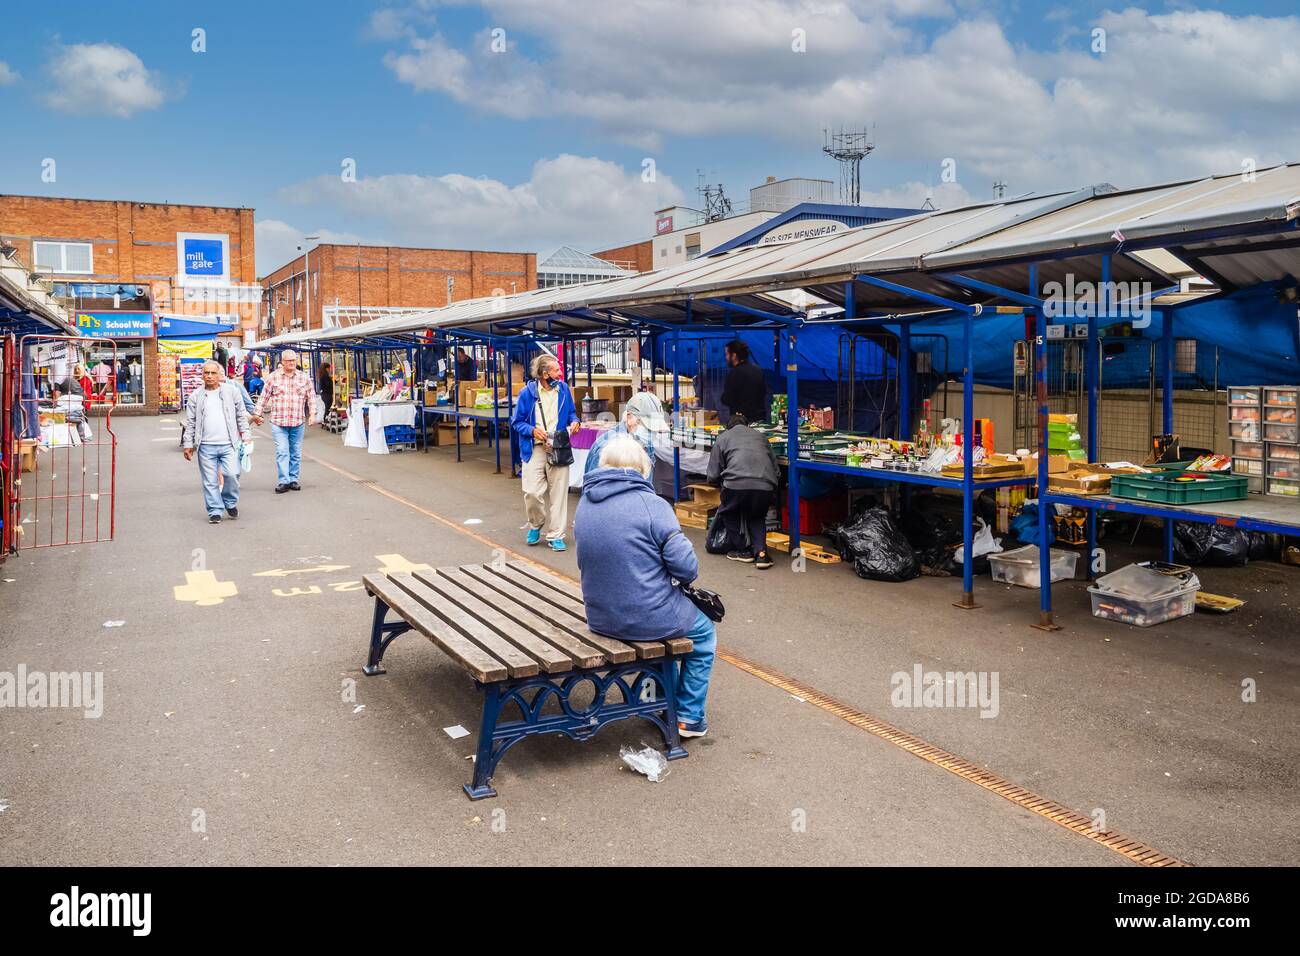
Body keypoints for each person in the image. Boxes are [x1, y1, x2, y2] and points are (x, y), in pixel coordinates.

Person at [574, 434, 716, 738]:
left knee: (657, 623)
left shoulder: (585, 503)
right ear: (642, 467)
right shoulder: (653, 505)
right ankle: (688, 716)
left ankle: (655, 698)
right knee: (703, 635)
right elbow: (687, 569)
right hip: (647, 616)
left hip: (600, 616)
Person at [511, 353, 579, 551]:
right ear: (544, 373)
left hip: (558, 446)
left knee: (559, 494)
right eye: (556, 370)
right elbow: (517, 422)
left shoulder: (564, 390)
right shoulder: (527, 393)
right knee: (531, 492)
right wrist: (532, 430)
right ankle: (535, 524)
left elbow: (572, 413)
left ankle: (556, 534)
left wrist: (575, 421)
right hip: (534, 447)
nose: (560, 373)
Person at [707, 412, 779, 569]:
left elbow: (713, 473)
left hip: (735, 483)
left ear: (729, 426)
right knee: (757, 517)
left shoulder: (723, 437)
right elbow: (776, 469)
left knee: (728, 513)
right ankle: (761, 555)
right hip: (765, 484)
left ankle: (743, 550)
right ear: (747, 425)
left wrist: (717, 483)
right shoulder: (760, 436)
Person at [182, 360, 250, 524]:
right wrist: (188, 444)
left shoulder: (232, 391)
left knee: (232, 474)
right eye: (207, 373)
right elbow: (190, 422)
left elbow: (241, 415)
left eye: (213, 373)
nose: (210, 376)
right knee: (210, 480)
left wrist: (246, 434)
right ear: (202, 375)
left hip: (229, 444)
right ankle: (214, 510)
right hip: (205, 446)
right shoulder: (195, 396)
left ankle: (230, 502)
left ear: (220, 374)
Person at [253, 348, 315, 493]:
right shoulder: (273, 377)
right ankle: (283, 480)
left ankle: (293, 479)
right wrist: (257, 414)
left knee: (295, 451)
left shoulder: (304, 378)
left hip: (297, 421)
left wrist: (312, 414)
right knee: (282, 451)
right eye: (288, 361)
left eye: (293, 360)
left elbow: (311, 397)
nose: (291, 363)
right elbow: (264, 397)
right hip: (278, 421)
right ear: (282, 362)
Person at [582, 390, 668, 480]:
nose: (652, 433)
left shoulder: (645, 444)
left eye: (655, 429)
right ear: (629, 417)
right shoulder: (606, 447)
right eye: (648, 427)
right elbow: (595, 490)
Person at [720, 338, 768, 426]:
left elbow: (728, 399)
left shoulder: (734, 373)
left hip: (741, 422)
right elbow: (764, 392)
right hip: (760, 420)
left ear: (734, 356)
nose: (726, 357)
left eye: (727, 354)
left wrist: (723, 398)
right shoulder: (757, 370)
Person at [317, 361, 334, 426]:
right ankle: (325, 421)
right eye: (329, 368)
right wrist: (334, 381)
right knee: (328, 408)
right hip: (327, 394)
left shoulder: (322, 375)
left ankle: (326, 421)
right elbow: (328, 384)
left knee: (328, 408)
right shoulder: (325, 375)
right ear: (326, 368)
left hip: (324, 394)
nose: (330, 370)